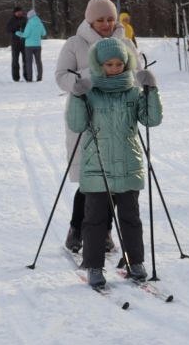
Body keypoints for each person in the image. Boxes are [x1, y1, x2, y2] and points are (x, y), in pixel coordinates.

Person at [66, 38, 162, 288]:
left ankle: (135, 262)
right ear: (99, 64)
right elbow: (77, 125)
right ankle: (94, 266)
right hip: (97, 165)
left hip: (129, 164)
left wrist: (151, 90)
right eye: (109, 64)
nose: (115, 68)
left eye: (119, 63)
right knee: (95, 220)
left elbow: (151, 120)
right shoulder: (90, 90)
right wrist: (76, 97)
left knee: (131, 218)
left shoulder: (133, 89)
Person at [58, 0, 135, 253]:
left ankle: (105, 232)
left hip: (117, 119)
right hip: (86, 117)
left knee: (113, 178)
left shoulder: (124, 42)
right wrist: (82, 81)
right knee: (90, 180)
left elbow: (135, 69)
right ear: (90, 20)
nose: (106, 23)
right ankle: (77, 228)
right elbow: (61, 76)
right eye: (100, 19)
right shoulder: (75, 44)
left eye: (110, 18)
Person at [21, 7, 48, 81]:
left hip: (29, 46)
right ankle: (39, 77)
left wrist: (19, 33)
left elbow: (26, 35)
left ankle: (29, 78)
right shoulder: (40, 23)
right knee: (38, 62)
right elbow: (44, 33)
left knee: (29, 62)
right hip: (38, 45)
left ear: (29, 16)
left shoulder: (29, 24)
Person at [8, 6, 29, 81]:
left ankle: (27, 76)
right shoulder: (12, 20)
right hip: (15, 43)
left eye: (21, 11)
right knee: (15, 61)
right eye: (18, 12)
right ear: (15, 13)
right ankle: (16, 77)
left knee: (26, 60)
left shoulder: (25, 19)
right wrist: (16, 27)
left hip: (24, 43)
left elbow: (29, 29)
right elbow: (8, 29)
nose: (20, 13)